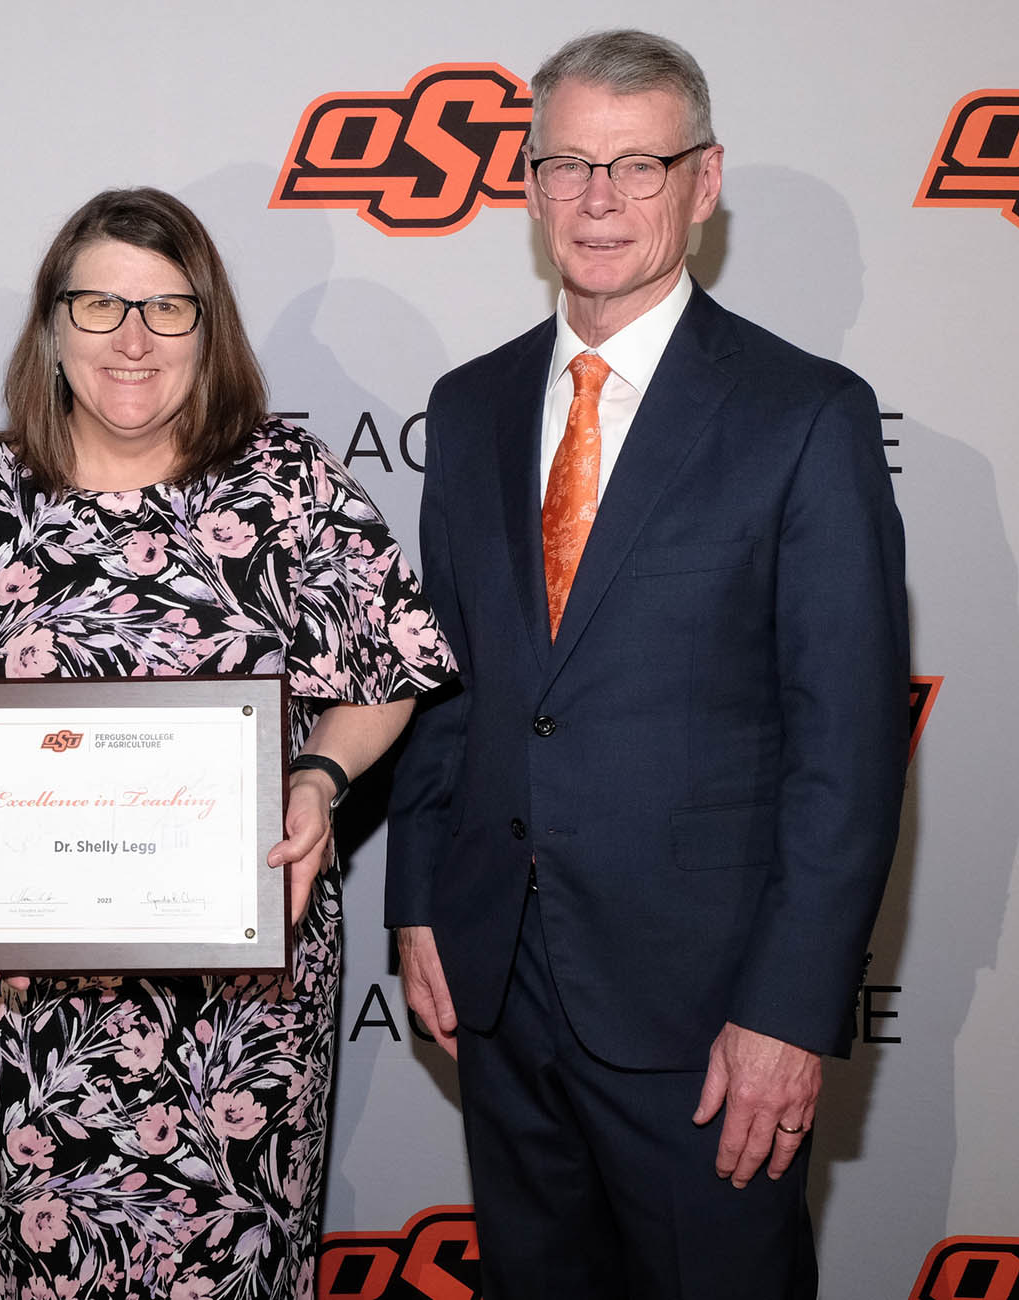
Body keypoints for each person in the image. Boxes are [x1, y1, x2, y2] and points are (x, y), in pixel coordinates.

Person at [0, 186, 455, 1299]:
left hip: (241, 1010)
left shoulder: (287, 484)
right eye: (98, 305)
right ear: (52, 326)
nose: (131, 339)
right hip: (28, 995)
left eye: (167, 309)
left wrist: (318, 779)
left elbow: (384, 674)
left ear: (209, 326)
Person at [386, 30, 910, 1299]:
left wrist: (788, 1012)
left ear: (703, 180)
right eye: (567, 164)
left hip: (708, 1018)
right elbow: (446, 688)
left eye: (636, 164)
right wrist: (415, 898)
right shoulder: (470, 406)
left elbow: (845, 749)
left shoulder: (805, 415)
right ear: (526, 183)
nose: (599, 200)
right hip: (502, 991)